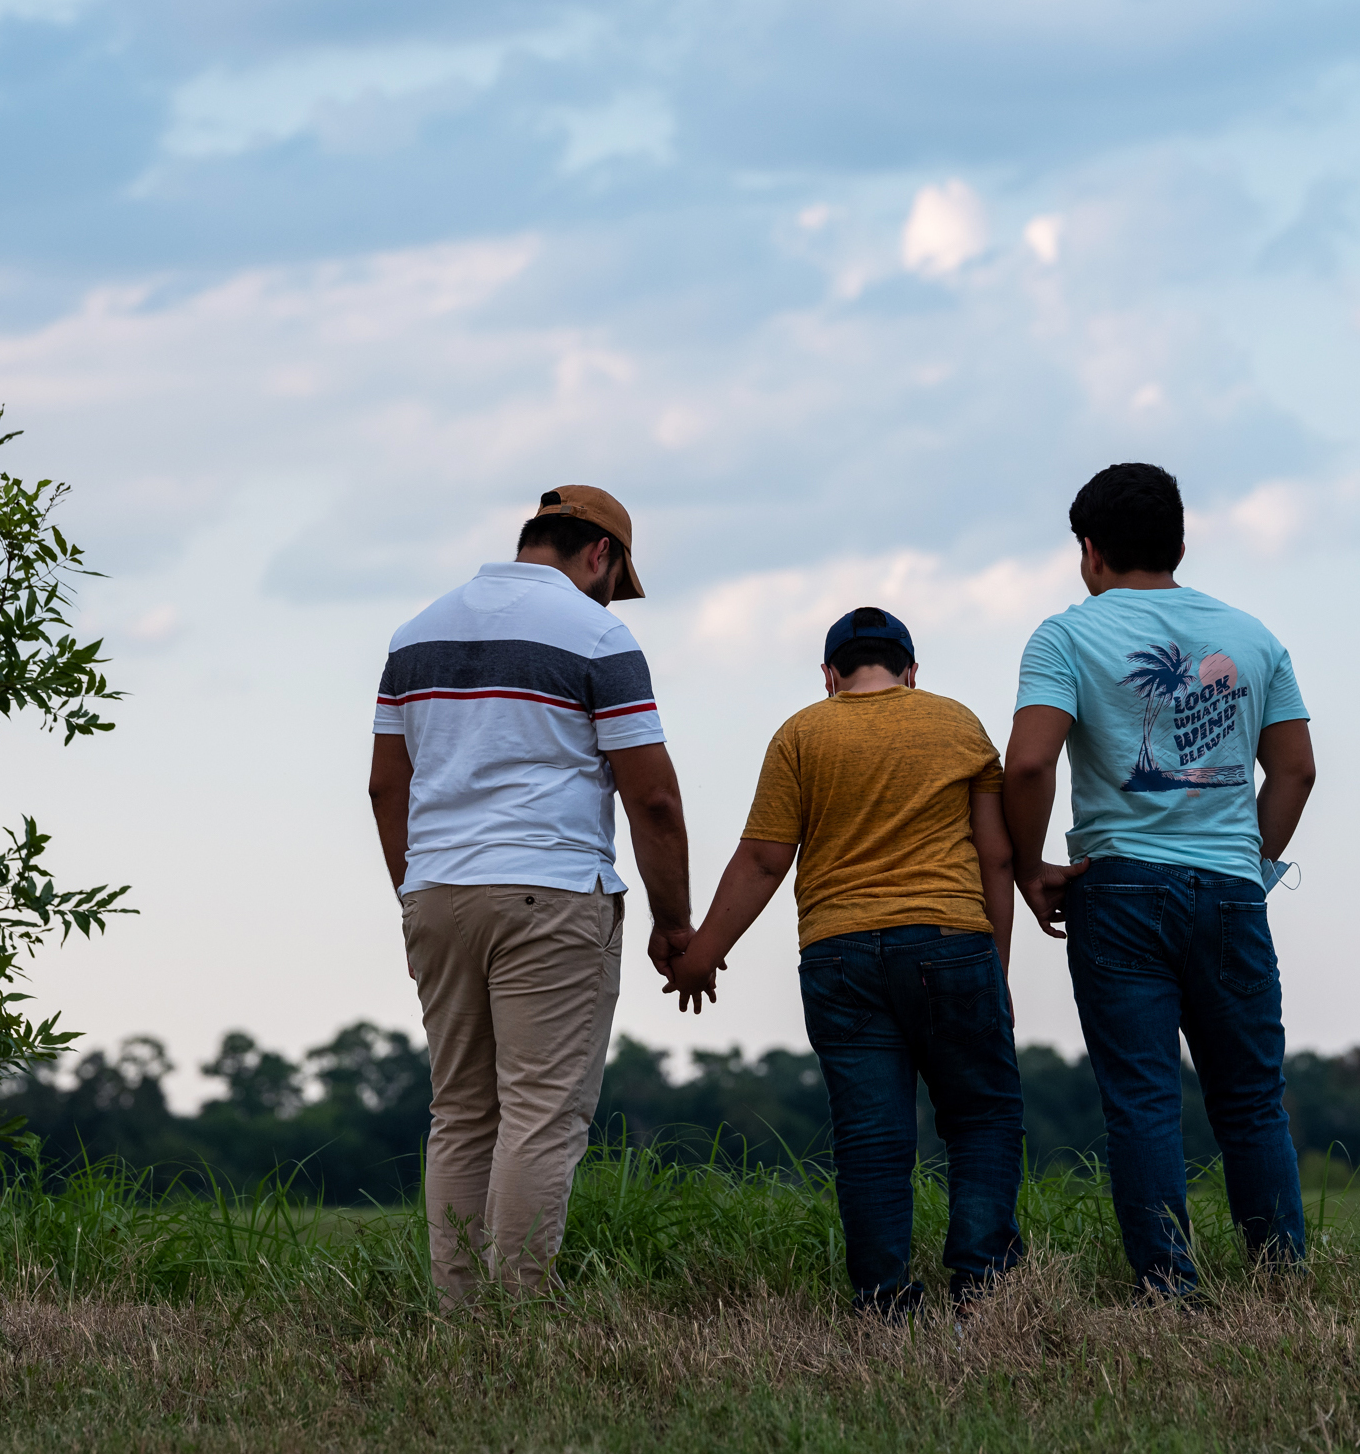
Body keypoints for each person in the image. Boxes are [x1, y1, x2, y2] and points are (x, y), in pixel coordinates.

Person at [367, 485, 696, 1305]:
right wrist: (673, 920)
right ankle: (517, 1317)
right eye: (615, 578)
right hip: (549, 892)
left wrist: (416, 889)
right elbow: (651, 797)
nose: (613, 594)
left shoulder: (416, 634)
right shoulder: (596, 634)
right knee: (540, 1115)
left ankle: (459, 1313)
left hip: (437, 891)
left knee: (462, 1113)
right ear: (600, 554)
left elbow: (384, 788)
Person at [1001, 462, 1317, 1296]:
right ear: (1179, 542)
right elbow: (1295, 773)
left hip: (1118, 890)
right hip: (1228, 894)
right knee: (1251, 1098)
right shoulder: (1252, 637)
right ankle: (1281, 1280)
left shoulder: (1065, 636)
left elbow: (1030, 761)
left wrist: (1030, 865)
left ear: (1089, 550)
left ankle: (1169, 1288)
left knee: (1142, 1100)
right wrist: (1249, 869)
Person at [666, 608, 1024, 1317]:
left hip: (838, 954)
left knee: (871, 1136)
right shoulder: (957, 724)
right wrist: (994, 969)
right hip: (951, 943)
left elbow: (766, 857)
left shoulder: (802, 732)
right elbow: (997, 855)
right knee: (981, 1117)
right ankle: (982, 1292)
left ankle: (883, 1302)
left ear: (829, 676)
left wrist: (701, 953)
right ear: (911, 671)